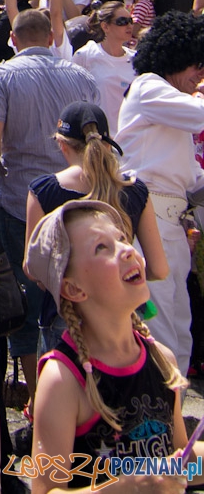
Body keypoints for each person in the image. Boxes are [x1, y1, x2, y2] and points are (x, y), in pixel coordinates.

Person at [25, 201, 202, 492]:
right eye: (102, 247)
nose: (128, 249)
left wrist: (165, 474)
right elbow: (45, 489)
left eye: (121, 239)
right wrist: (131, 487)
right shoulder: (63, 379)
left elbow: (181, 458)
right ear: (74, 289)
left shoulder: (162, 359)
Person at [0, 8, 99, 407]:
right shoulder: (81, 76)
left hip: (19, 200)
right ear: (51, 37)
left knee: (24, 301)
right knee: (78, 296)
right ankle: (83, 389)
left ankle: (38, 394)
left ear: (14, 40)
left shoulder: (2, 74)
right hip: (78, 200)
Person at [25, 101, 168, 354]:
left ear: (62, 144)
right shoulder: (136, 190)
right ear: (107, 142)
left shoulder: (43, 190)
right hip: (122, 317)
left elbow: (32, 266)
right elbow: (158, 268)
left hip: (64, 316)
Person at [114, 11, 204, 375]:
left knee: (178, 334)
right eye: (197, 64)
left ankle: (174, 424)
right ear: (175, 57)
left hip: (171, 229)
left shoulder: (167, 102)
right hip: (151, 226)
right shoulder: (149, 87)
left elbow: (192, 178)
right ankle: (166, 424)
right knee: (163, 335)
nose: (199, 73)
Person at [72, 2, 136, 129]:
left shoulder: (136, 58)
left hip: (130, 139)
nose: (129, 26)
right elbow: (74, 98)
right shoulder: (85, 55)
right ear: (105, 26)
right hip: (100, 138)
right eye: (122, 21)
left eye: (130, 21)